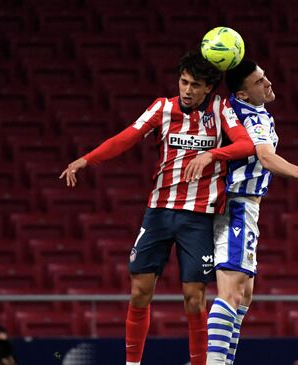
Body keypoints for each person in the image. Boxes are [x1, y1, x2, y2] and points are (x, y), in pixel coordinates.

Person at [59, 50, 254, 365]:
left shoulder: (220, 109)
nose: (187, 90)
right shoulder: (162, 108)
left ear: (209, 88)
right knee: (140, 290)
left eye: (195, 85)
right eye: (183, 82)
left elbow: (246, 144)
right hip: (160, 212)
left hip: (199, 218)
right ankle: (133, 363)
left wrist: (211, 155)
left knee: (195, 298)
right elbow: (126, 137)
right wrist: (86, 160)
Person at [203, 59, 298, 365]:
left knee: (243, 296)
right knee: (230, 291)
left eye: (265, 76)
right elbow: (266, 158)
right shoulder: (249, 117)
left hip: (245, 207)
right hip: (236, 205)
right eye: (259, 82)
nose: (267, 83)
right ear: (243, 95)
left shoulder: (247, 109)